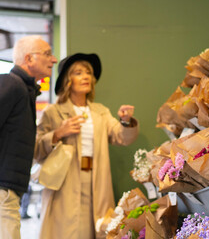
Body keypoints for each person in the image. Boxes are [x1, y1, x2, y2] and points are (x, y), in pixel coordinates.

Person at [34, 53, 139, 239]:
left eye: (88, 73)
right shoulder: (54, 112)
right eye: (78, 73)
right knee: (65, 231)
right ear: (68, 80)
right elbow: (36, 149)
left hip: (96, 180)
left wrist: (125, 121)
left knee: (94, 228)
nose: (85, 77)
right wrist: (58, 133)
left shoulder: (100, 111)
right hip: (65, 183)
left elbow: (121, 137)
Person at [0, 35, 57, 239]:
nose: (54, 59)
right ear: (29, 59)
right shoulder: (12, 84)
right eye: (47, 54)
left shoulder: (24, 89)